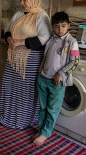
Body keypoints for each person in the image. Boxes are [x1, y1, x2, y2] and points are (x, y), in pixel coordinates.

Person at [0, 0, 52, 129]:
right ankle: (6, 116)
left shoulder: (41, 16)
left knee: (24, 91)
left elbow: (44, 38)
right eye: (20, 0)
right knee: (8, 86)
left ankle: (22, 121)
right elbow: (7, 30)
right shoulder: (18, 14)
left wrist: (20, 42)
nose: (22, 3)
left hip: (30, 59)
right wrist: (9, 40)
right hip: (13, 56)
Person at [33, 11, 80, 146]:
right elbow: (45, 58)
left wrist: (61, 73)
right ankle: (41, 130)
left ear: (69, 26)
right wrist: (40, 72)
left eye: (63, 26)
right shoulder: (51, 40)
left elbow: (74, 62)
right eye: (57, 26)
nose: (60, 29)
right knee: (43, 108)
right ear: (52, 27)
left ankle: (46, 133)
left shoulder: (72, 42)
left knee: (52, 109)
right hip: (43, 79)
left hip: (57, 82)